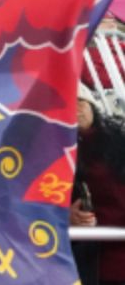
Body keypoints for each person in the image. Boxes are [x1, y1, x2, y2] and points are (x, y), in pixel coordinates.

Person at [73, 88, 125, 285]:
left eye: (80, 100)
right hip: (98, 260)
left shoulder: (119, 139)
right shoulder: (51, 154)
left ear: (92, 106)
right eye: (68, 102)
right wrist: (66, 216)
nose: (76, 108)